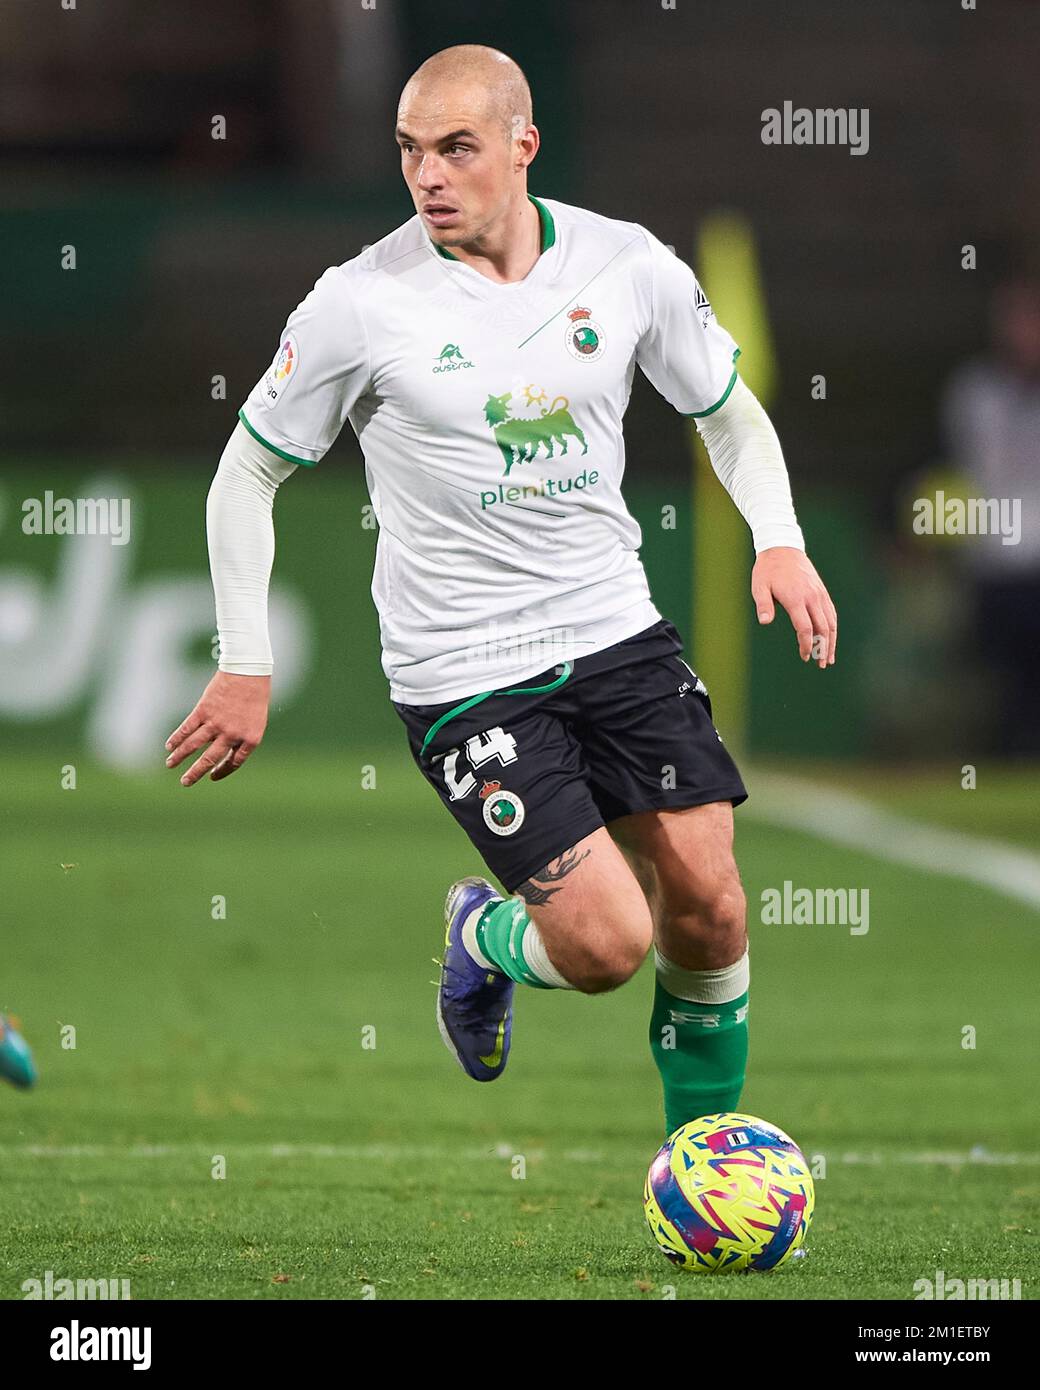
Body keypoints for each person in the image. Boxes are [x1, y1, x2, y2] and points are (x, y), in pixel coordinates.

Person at [166, 45, 837, 1138]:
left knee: (709, 901)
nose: (428, 176)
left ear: (522, 147)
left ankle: (701, 1162)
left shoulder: (624, 266)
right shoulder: (360, 301)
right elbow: (245, 471)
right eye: (410, 152)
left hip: (615, 632)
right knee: (608, 946)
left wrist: (780, 539)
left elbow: (723, 406)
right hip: (467, 672)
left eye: (456, 149)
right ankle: (483, 934)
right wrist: (244, 657)